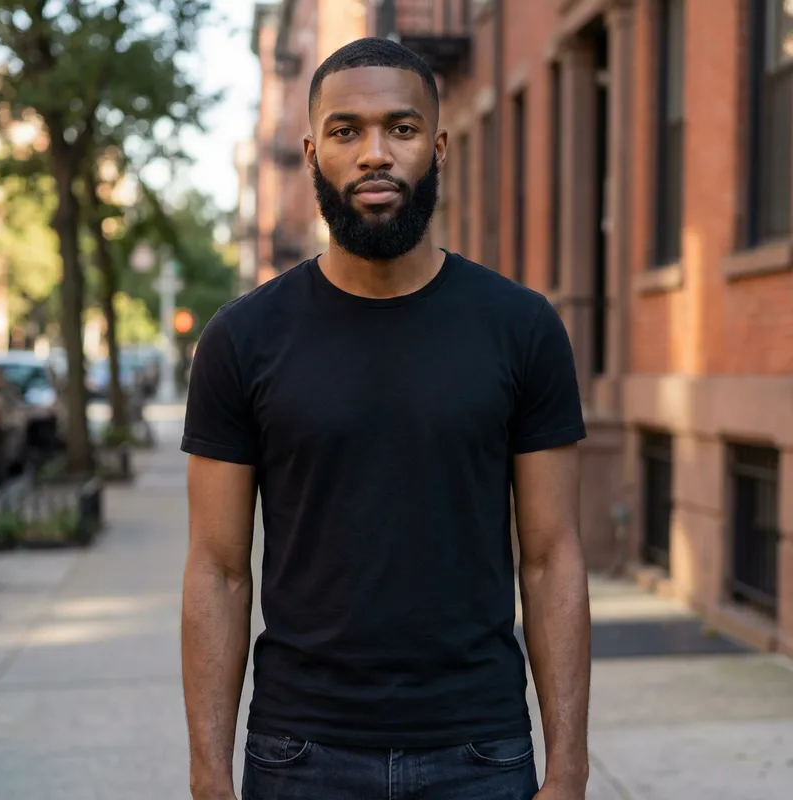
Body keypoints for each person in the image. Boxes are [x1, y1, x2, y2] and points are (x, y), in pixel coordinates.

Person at [181, 37, 591, 800]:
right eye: (346, 131)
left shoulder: (522, 328)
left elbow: (552, 556)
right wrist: (209, 774)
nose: (375, 153)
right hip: (300, 752)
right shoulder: (241, 340)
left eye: (401, 129)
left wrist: (568, 766)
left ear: (437, 147)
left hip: (480, 749)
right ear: (311, 152)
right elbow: (218, 569)